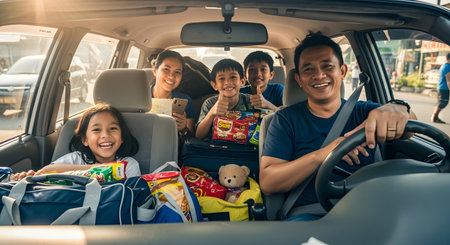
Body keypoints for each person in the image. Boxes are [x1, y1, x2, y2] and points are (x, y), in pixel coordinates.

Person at [260, 33, 416, 219]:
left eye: (327, 66)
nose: (319, 75)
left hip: (368, 211)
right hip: (310, 215)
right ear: (299, 80)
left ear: (342, 71)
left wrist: (397, 107)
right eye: (308, 70)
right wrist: (328, 152)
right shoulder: (285, 120)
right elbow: (269, 182)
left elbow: (410, 129)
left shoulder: (366, 111)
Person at [11, 103, 141, 180]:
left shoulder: (128, 165)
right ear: (85, 140)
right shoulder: (76, 159)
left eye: (113, 128)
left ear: (122, 137)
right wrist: (95, 169)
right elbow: (45, 171)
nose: (105, 135)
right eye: (96, 130)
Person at [196, 59, 255, 139]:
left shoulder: (251, 101)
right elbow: (199, 135)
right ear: (214, 85)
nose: (227, 82)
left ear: (242, 81)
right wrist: (212, 113)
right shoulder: (209, 103)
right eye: (221, 78)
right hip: (214, 148)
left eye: (233, 77)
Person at [152, 50, 195, 136]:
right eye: (166, 69)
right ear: (155, 71)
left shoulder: (185, 101)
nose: (171, 76)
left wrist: (183, 128)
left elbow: (191, 140)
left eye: (177, 72)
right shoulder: (140, 97)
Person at [431, 53, 450, 124]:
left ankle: (435, 117)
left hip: (441, 87)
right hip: (444, 88)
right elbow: (449, 80)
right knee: (443, 102)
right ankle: (434, 116)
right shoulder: (448, 66)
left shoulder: (444, 65)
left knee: (441, 102)